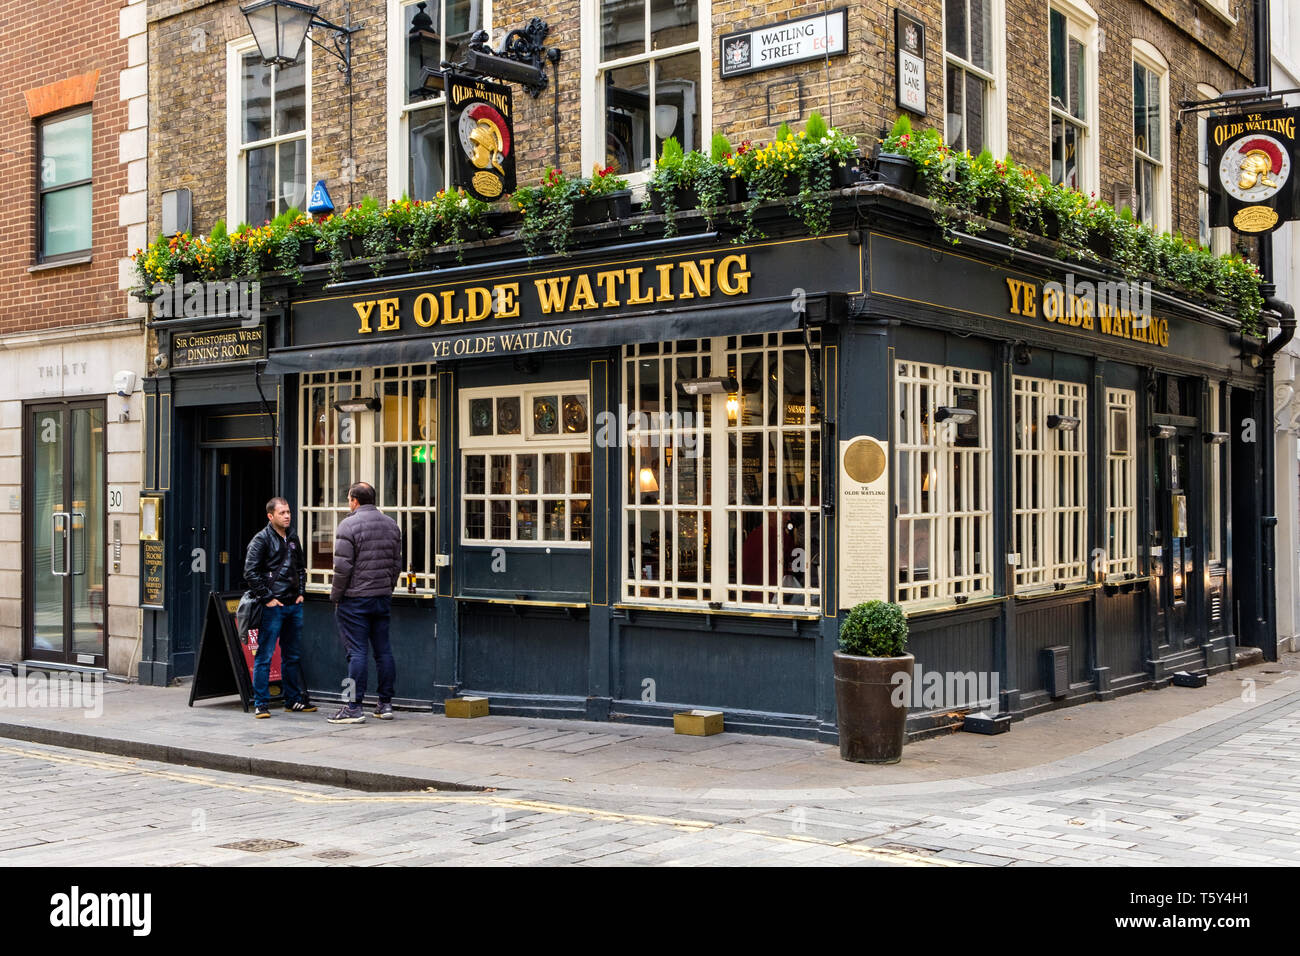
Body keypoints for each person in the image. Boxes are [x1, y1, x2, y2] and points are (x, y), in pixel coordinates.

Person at [327, 481, 403, 723]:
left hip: (354, 600)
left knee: (356, 653)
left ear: (354, 500)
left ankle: (353, 706)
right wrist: (386, 588)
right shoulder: (391, 525)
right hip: (381, 598)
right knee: (383, 651)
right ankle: (385, 703)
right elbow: (396, 564)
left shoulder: (348, 525)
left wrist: (336, 596)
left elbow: (342, 568)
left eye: (349, 499)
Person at [243, 497, 312, 718]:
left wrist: (301, 592)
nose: (287, 516)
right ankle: (261, 703)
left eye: (288, 512)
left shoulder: (292, 536)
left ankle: (292, 700)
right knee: (265, 655)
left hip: (294, 605)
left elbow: (300, 568)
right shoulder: (261, 540)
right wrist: (268, 598)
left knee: (291, 655)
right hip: (274, 607)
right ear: (270, 516)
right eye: (282, 513)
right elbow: (250, 573)